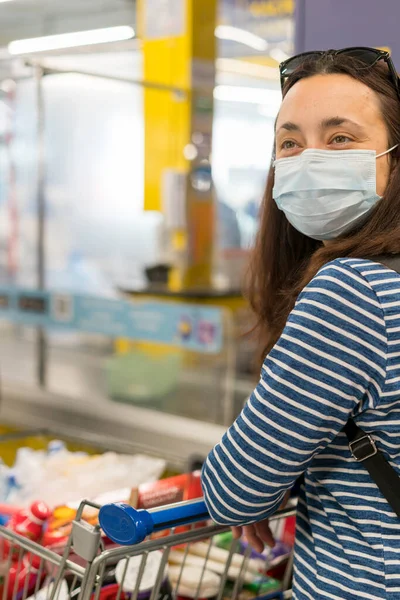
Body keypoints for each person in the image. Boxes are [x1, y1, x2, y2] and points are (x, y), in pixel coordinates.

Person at [201, 48, 400, 599]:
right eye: (290, 143)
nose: (309, 159)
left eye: (340, 139)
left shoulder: (353, 291)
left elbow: (236, 489)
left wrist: (257, 477)